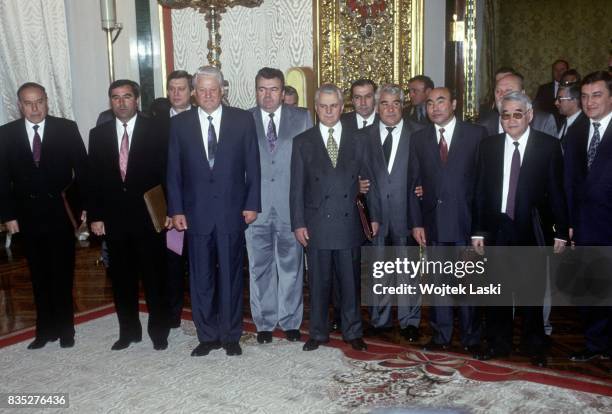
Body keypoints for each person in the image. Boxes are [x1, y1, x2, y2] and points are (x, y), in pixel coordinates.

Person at [167, 66, 261, 357]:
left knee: (232, 276)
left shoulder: (242, 120)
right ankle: (207, 335)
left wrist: (252, 203)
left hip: (232, 212)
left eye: (213, 89)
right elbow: (173, 171)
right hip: (195, 214)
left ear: (223, 91)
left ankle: (231, 335)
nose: (208, 95)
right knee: (200, 278)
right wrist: (176, 209)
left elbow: (253, 166)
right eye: (202, 90)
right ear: (194, 93)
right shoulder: (180, 124)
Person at [472, 91, 568, 367]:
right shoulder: (488, 146)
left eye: (517, 114)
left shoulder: (548, 146)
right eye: (506, 114)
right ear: (500, 118)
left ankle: (534, 346)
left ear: (529, 116)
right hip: (498, 227)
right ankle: (498, 345)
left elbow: (557, 192)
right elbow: (479, 191)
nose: (511, 120)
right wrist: (478, 231)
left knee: (531, 293)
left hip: (532, 226)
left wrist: (561, 230)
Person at [290, 83, 380, 352]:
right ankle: (317, 332)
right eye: (323, 106)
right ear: (316, 109)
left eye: (333, 105)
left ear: (342, 108)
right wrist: (298, 223)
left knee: (350, 281)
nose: (328, 111)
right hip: (316, 223)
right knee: (318, 282)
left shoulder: (359, 139)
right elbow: (296, 188)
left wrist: (373, 217)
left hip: (349, 221)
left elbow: (369, 180)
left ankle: (353, 331)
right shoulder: (303, 141)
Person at [0, 82, 87, 349]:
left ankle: (66, 329)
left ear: (47, 101)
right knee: (38, 275)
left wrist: (85, 207)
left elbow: (83, 171)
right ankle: (44, 330)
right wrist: (8, 215)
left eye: (39, 101)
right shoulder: (6, 134)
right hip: (27, 215)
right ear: (20, 105)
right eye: (28, 103)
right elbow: (2, 179)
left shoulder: (66, 128)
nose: (35, 108)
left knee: (62, 272)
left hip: (60, 213)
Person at [88, 79, 170, 351]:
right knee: (122, 279)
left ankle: (159, 332)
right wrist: (96, 217)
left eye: (126, 97)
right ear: (110, 101)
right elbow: (94, 180)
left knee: (154, 278)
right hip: (115, 219)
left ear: (137, 100)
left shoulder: (158, 130)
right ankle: (129, 332)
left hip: (149, 217)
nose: (121, 102)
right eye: (115, 97)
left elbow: (168, 175)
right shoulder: (97, 135)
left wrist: (169, 211)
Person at [409, 87, 487, 353]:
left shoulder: (476, 134)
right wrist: (417, 223)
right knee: (438, 284)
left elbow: (482, 186)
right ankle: (441, 336)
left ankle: (471, 338)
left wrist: (480, 229)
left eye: (441, 101)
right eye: (429, 103)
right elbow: (414, 183)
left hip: (466, 223)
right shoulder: (419, 139)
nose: (435, 108)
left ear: (454, 103)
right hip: (434, 224)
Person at [247, 67, 312, 344]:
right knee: (259, 267)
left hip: (290, 207)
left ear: (283, 91)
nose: (268, 95)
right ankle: (264, 322)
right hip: (255, 208)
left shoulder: (302, 117)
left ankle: (290, 321)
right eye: (262, 89)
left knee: (291, 267)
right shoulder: (243, 119)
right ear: (256, 90)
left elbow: (311, 164)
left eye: (274, 89)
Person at [360, 83, 424, 341]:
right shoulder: (363, 136)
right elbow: (354, 170)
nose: (390, 108)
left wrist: (426, 187)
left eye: (395, 103)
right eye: (384, 103)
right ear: (377, 107)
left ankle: (410, 321)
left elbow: (430, 170)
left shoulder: (419, 133)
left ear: (403, 105)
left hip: (407, 213)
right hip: (375, 213)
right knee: (379, 268)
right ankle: (380, 319)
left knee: (408, 269)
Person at [564, 71, 612, 361]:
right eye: (584, 96)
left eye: (596, 95)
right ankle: (596, 345)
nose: (589, 101)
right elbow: (569, 181)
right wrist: (569, 223)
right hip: (584, 227)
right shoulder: (577, 131)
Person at [151, 70, 196, 329]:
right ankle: (173, 313)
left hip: (200, 205)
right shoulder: (155, 124)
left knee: (201, 262)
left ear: (191, 91)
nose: (176, 94)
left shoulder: (202, 119)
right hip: (170, 207)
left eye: (181, 88)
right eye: (172, 89)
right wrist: (165, 208)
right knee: (172, 262)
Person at [479, 73, 558, 138]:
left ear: (522, 93)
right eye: (498, 91)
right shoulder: (484, 125)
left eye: (508, 90)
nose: (501, 95)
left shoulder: (543, 122)